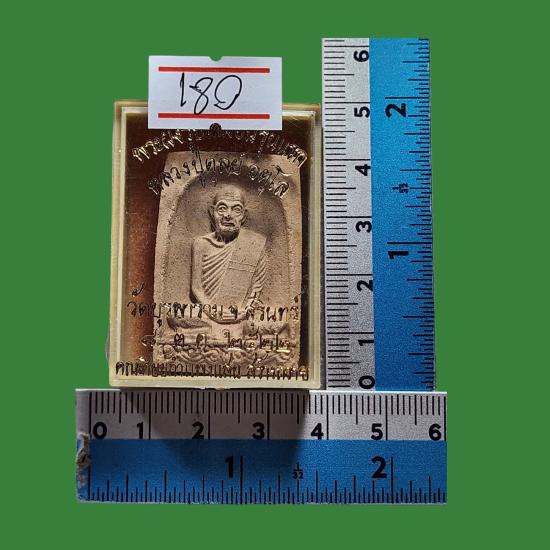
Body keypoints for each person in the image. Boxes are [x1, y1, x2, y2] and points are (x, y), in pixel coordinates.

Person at [191, 185, 267, 319]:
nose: (228, 215)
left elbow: (257, 287)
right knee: (178, 315)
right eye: (222, 209)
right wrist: (213, 312)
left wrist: (245, 311)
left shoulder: (255, 243)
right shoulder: (201, 244)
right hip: (208, 312)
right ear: (212, 212)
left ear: (244, 216)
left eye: (236, 210)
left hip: (242, 313)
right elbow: (196, 288)